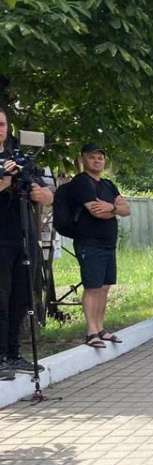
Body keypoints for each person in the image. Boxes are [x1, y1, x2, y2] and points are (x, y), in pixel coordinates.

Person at [0, 106, 54, 379]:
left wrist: (41, 193)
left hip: (23, 233)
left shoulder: (18, 158)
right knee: (1, 296)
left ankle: (13, 353)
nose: (0, 129)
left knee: (22, 295)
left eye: (2, 124)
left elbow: (46, 194)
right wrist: (6, 178)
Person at [61, 143, 130, 348]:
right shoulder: (82, 183)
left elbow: (127, 209)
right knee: (92, 287)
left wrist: (112, 207)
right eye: (92, 157)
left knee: (105, 286)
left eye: (100, 157)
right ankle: (91, 332)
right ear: (83, 159)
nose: (97, 160)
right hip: (89, 242)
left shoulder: (108, 185)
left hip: (109, 243)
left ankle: (101, 328)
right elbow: (95, 211)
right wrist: (114, 209)